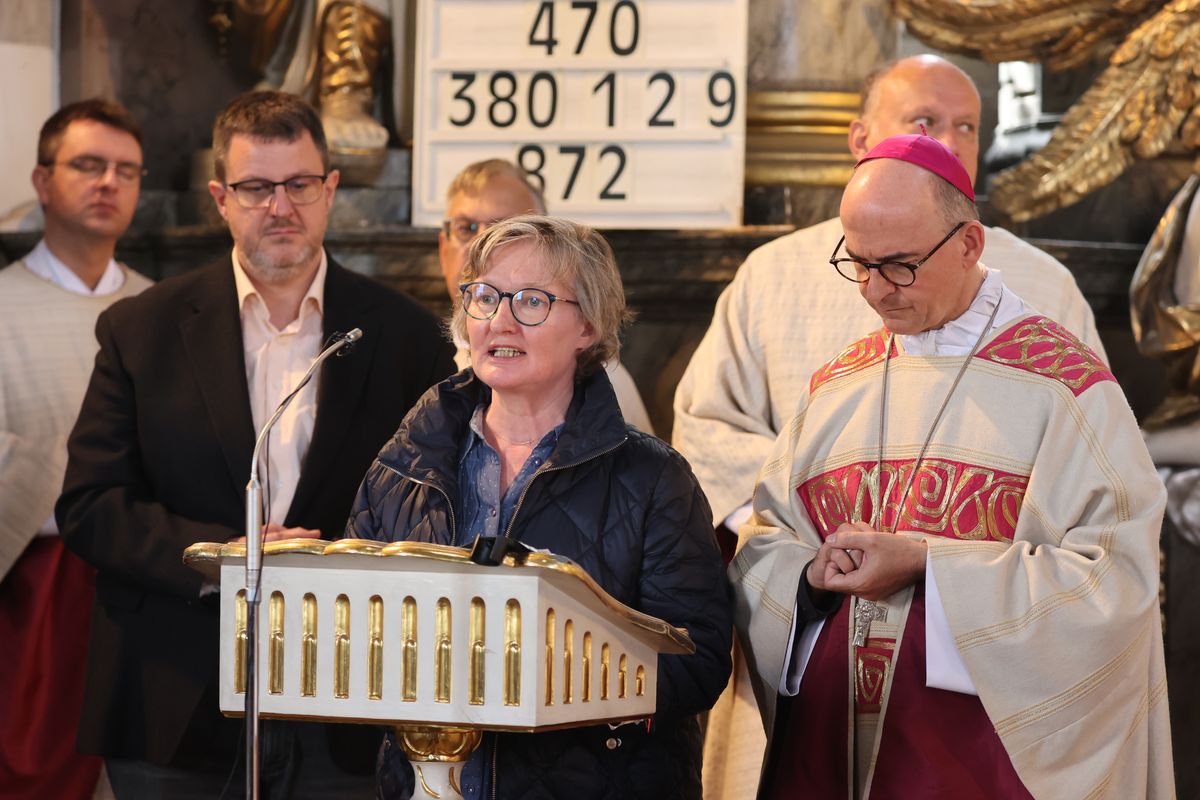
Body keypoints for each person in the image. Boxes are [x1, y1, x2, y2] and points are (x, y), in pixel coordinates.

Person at [678, 55, 1109, 798]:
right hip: (814, 622)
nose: (948, 139)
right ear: (859, 137)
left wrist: (942, 557)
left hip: (974, 656)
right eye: (924, 121)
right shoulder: (775, 276)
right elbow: (706, 431)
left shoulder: (1043, 288)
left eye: (966, 127)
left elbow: (1087, 481)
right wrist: (801, 532)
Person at [731, 133, 1172, 798]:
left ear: (969, 244)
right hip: (831, 748)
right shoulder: (836, 388)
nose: (877, 291)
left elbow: (1117, 585)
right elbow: (764, 542)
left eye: (900, 265)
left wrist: (930, 565)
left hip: (976, 763)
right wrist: (808, 582)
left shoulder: (1067, 390)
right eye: (859, 263)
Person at [56, 90, 454, 798]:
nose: (281, 206)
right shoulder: (140, 329)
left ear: (330, 190)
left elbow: (440, 511)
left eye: (300, 184)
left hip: (348, 699)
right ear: (220, 198)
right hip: (176, 698)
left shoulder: (406, 336)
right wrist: (221, 557)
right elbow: (92, 506)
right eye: (256, 187)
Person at [346, 214, 732, 798]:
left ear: (588, 327)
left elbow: (697, 658)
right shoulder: (403, 465)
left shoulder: (654, 478)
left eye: (531, 300)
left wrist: (546, 678)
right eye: (483, 297)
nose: (500, 319)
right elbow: (353, 624)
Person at [0, 99, 153, 800]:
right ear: (41, 179)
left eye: (126, 171)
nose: (107, 184)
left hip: (141, 591)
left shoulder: (162, 312)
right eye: (88, 165)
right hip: (30, 592)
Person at [439, 158, 655, 433]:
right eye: (466, 228)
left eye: (505, 230)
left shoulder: (607, 386)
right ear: (442, 247)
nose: (478, 246)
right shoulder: (413, 359)